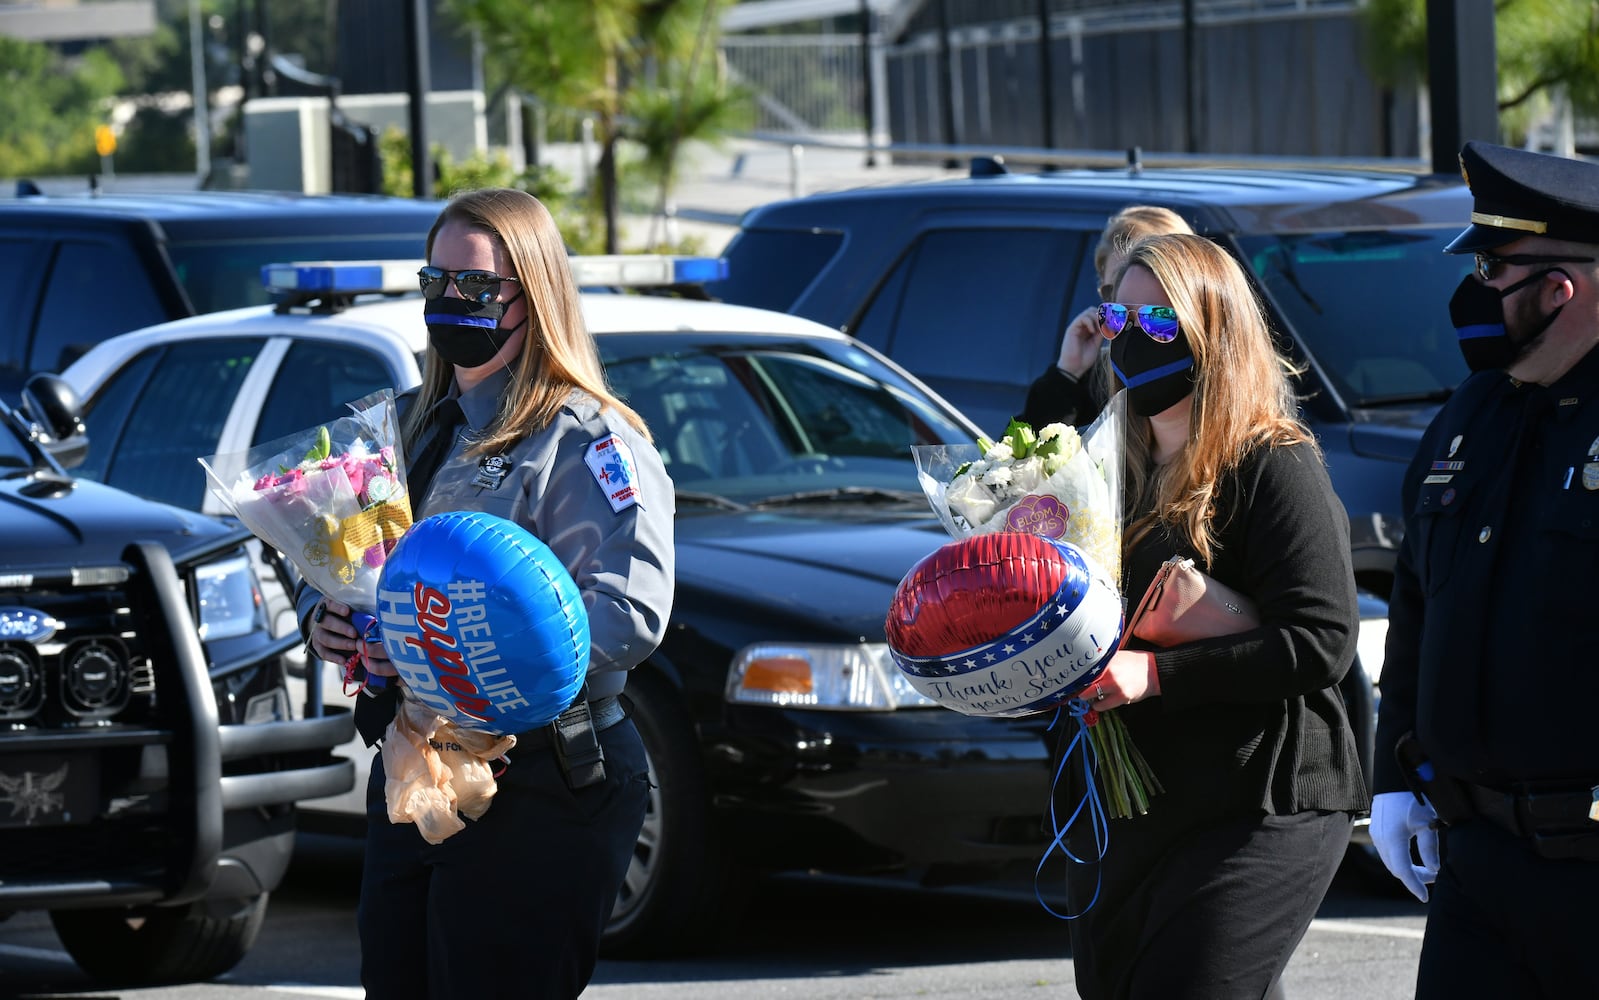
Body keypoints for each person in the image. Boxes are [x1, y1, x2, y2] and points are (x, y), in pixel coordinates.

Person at [298, 188, 675, 999]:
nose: (450, 304)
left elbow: (629, 614)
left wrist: (446, 650)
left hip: (544, 779)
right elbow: (349, 565)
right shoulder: (408, 427)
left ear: (531, 293)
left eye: (474, 288)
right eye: (436, 284)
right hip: (415, 772)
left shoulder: (587, 439)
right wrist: (326, 614)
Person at [1058, 233, 1367, 999]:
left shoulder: (1271, 462)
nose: (1131, 339)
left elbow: (1321, 641)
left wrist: (1156, 673)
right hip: (1134, 803)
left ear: (1213, 333)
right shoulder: (1105, 471)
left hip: (1258, 800)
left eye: (1158, 323)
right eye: (1115, 320)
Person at [1369, 141, 1599, 999]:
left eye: (1491, 267)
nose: (1471, 289)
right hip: (1476, 866)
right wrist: (1394, 777)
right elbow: (1420, 606)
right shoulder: (1471, 412)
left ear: (1558, 287)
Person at [1016, 205, 1193, 430]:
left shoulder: (1222, 384)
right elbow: (1020, 457)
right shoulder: (1097, 379)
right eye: (1114, 292)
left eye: (1155, 299)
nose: (1130, 308)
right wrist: (1068, 373)